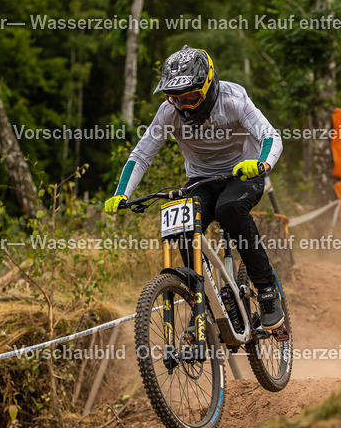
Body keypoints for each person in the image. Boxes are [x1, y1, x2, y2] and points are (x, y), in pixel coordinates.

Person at [104, 45, 285, 330]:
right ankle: (204, 302)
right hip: (201, 179)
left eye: (191, 96)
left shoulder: (233, 99)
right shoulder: (168, 113)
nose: (185, 105)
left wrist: (261, 164)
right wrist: (121, 193)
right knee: (182, 225)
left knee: (229, 209)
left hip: (243, 172)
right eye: (176, 99)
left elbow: (270, 136)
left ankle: (266, 290)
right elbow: (141, 154)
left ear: (209, 85)